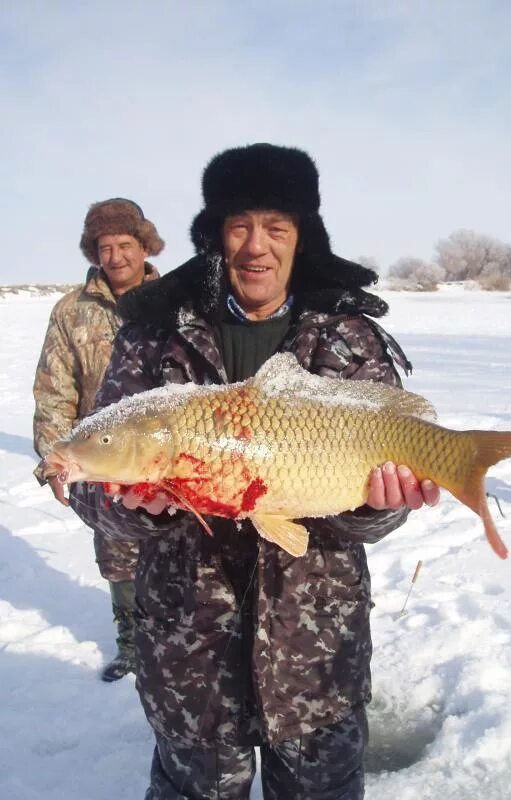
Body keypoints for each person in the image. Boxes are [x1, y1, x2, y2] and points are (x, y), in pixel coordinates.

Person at [66, 144, 440, 799]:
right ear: (214, 236)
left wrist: (380, 503)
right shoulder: (152, 335)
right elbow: (93, 492)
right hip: (190, 655)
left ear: (303, 238)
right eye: (239, 226)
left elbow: (378, 512)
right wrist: (134, 507)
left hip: (315, 652)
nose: (256, 247)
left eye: (277, 227)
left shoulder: (348, 336)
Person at [33, 198, 164, 681]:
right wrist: (54, 459)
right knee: (118, 554)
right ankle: (131, 642)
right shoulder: (72, 311)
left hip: (169, 456)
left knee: (181, 550)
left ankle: (181, 640)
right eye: (104, 247)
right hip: (102, 461)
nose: (116, 257)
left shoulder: (177, 298)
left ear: (145, 245)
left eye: (125, 244)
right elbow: (53, 390)